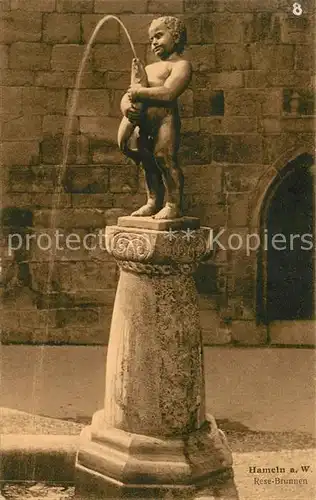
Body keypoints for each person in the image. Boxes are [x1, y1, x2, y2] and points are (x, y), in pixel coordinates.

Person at [118, 16, 192, 219]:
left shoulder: (180, 65)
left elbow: (169, 92)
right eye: (151, 39)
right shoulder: (148, 69)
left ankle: (173, 203)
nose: (154, 43)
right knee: (147, 162)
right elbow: (128, 94)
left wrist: (140, 92)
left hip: (165, 121)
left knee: (165, 158)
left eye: (159, 36)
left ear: (175, 37)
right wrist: (127, 108)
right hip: (144, 125)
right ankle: (153, 201)